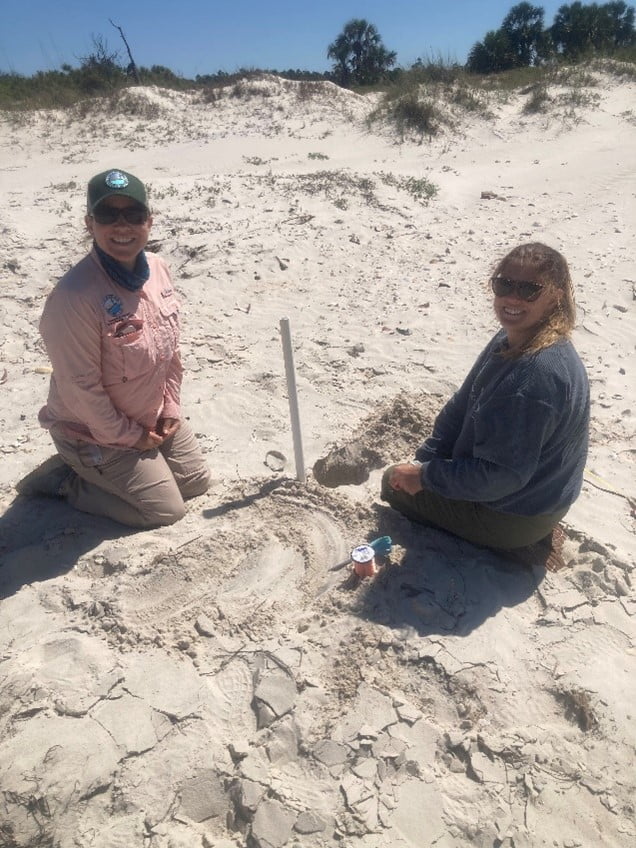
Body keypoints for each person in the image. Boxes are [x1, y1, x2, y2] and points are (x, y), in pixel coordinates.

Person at [17, 168, 211, 527]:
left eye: (133, 215)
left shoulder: (158, 267)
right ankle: (68, 479)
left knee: (196, 483)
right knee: (165, 511)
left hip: (150, 415)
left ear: (149, 222)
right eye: (108, 215)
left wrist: (170, 405)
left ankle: (102, 470)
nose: (122, 226)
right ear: (90, 224)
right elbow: (81, 392)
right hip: (95, 431)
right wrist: (132, 437)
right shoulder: (73, 297)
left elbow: (170, 352)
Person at [381, 243, 589, 567]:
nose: (513, 298)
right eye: (505, 284)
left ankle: (515, 543)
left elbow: (502, 477)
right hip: (541, 493)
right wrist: (426, 461)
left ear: (555, 296)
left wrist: (424, 478)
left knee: (392, 483)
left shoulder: (533, 378)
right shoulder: (515, 336)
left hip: (518, 513)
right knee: (410, 475)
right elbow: (461, 405)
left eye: (529, 289)